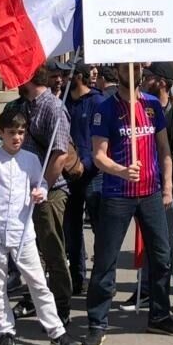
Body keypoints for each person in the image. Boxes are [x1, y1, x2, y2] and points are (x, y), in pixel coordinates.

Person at [83, 61, 173, 345]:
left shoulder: (152, 105)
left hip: (151, 192)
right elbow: (99, 155)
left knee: (162, 256)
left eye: (136, 68)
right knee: (106, 259)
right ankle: (97, 321)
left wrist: (167, 186)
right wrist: (120, 170)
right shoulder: (105, 108)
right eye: (125, 68)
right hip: (117, 194)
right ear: (117, 72)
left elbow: (164, 149)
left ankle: (159, 316)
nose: (132, 73)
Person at [0, 108, 82, 345]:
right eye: (12, 132)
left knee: (38, 282)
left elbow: (41, 183)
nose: (17, 137)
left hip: (22, 232)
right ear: (1, 133)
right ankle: (5, 332)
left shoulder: (31, 159)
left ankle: (56, 332)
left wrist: (40, 192)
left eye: (21, 133)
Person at [4, 65, 74, 322]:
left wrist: (43, 185)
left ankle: (62, 307)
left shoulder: (53, 107)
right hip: (25, 191)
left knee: (52, 250)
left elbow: (61, 153)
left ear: (28, 78)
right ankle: (34, 298)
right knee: (30, 252)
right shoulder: (24, 105)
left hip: (49, 193)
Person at [129, 62, 173, 314]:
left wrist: (154, 166)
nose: (144, 80)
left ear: (162, 83)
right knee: (149, 242)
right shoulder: (144, 111)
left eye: (149, 77)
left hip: (172, 189)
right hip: (147, 188)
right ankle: (146, 289)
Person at [63, 64, 102, 292]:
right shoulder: (65, 102)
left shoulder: (97, 102)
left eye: (69, 75)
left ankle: (100, 278)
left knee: (100, 228)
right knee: (72, 229)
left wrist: (84, 164)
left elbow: (97, 138)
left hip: (94, 174)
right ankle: (77, 278)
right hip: (70, 174)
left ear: (79, 76)